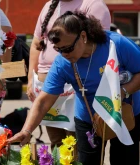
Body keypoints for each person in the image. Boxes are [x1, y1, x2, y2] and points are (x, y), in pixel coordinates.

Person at [8, 11, 140, 165]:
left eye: (68, 48)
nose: (64, 54)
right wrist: (26, 131)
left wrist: (123, 92)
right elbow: (43, 101)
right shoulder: (62, 63)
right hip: (89, 119)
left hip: (125, 113)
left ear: (83, 37)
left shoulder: (116, 44)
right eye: (59, 49)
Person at [27, 0, 111, 149]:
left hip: (76, 82)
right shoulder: (48, 6)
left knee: (78, 142)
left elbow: (97, 47)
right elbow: (36, 44)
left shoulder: (93, 5)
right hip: (47, 82)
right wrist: (30, 80)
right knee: (57, 143)